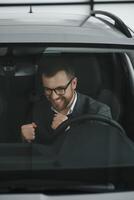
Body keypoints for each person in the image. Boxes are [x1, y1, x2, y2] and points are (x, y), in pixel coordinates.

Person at [21, 59, 112, 144]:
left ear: (74, 84)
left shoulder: (98, 112)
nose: (54, 97)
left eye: (60, 89)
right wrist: (24, 138)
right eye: (48, 90)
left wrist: (67, 130)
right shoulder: (38, 109)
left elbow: (99, 150)